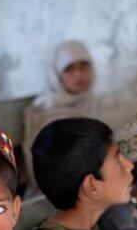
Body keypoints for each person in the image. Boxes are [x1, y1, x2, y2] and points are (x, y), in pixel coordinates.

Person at [22, 40, 98, 194]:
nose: (78, 74)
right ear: (57, 74)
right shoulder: (45, 109)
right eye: (69, 69)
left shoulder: (94, 103)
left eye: (83, 66)